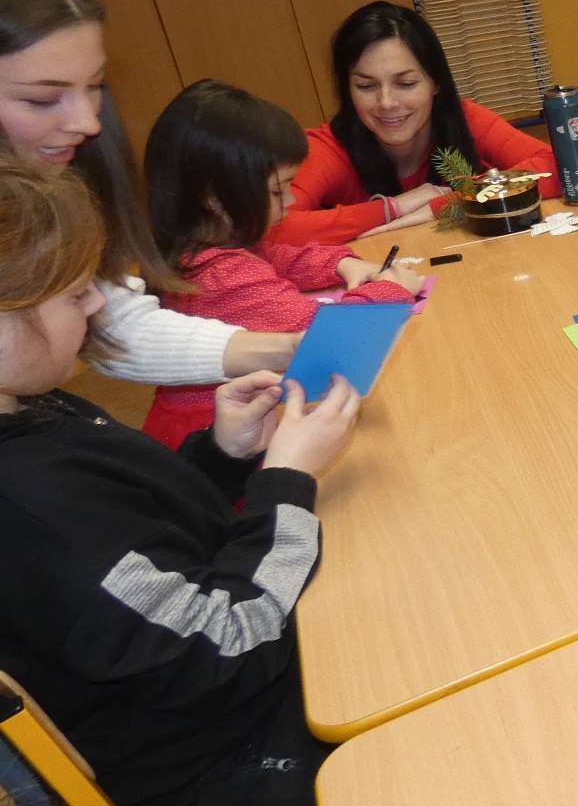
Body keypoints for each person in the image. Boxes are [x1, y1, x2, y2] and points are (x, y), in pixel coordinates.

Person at [0, 152, 361, 805]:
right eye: (76, 293)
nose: (97, 304)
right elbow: (229, 647)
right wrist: (286, 479)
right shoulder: (28, 506)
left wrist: (224, 454)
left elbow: (138, 540)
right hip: (227, 752)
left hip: (237, 687)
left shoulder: (29, 408)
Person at [0, 0, 296, 384]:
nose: (87, 122)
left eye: (94, 86)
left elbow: (114, 323)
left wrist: (284, 348)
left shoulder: (64, 180)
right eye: (41, 99)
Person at [141, 80, 422, 447]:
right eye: (277, 190)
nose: (290, 201)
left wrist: (341, 263)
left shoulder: (204, 248)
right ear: (214, 197)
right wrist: (391, 290)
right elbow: (327, 343)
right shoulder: (222, 277)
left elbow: (279, 257)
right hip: (221, 445)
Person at [269, 1, 559, 244]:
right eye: (366, 86)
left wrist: (445, 203)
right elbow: (272, 229)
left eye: (405, 83)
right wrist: (394, 207)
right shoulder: (328, 148)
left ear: (435, 83)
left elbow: (559, 167)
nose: (386, 102)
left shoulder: (466, 119)